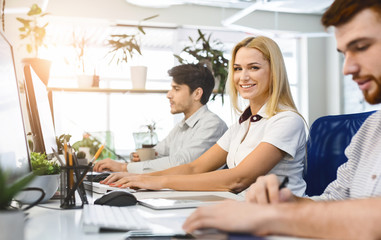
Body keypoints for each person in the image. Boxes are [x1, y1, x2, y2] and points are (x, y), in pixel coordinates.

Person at [183, 1, 381, 239]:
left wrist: (274, 217)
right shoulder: (370, 130)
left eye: (361, 47)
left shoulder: (286, 120)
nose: (346, 68)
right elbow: (335, 200)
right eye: (344, 54)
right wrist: (289, 202)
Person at [101, 36, 307, 195]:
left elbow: (239, 178)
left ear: (274, 72)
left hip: (277, 216)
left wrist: (154, 181)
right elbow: (195, 167)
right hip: (242, 209)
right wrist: (134, 176)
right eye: (237, 69)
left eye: (254, 68)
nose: (243, 77)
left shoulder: (287, 120)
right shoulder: (241, 125)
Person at [93, 63, 228, 173]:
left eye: (176, 89)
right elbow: (158, 153)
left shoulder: (212, 125)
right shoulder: (182, 126)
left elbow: (182, 163)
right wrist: (139, 158)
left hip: (202, 200)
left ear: (197, 94)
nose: (168, 95)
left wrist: (124, 168)